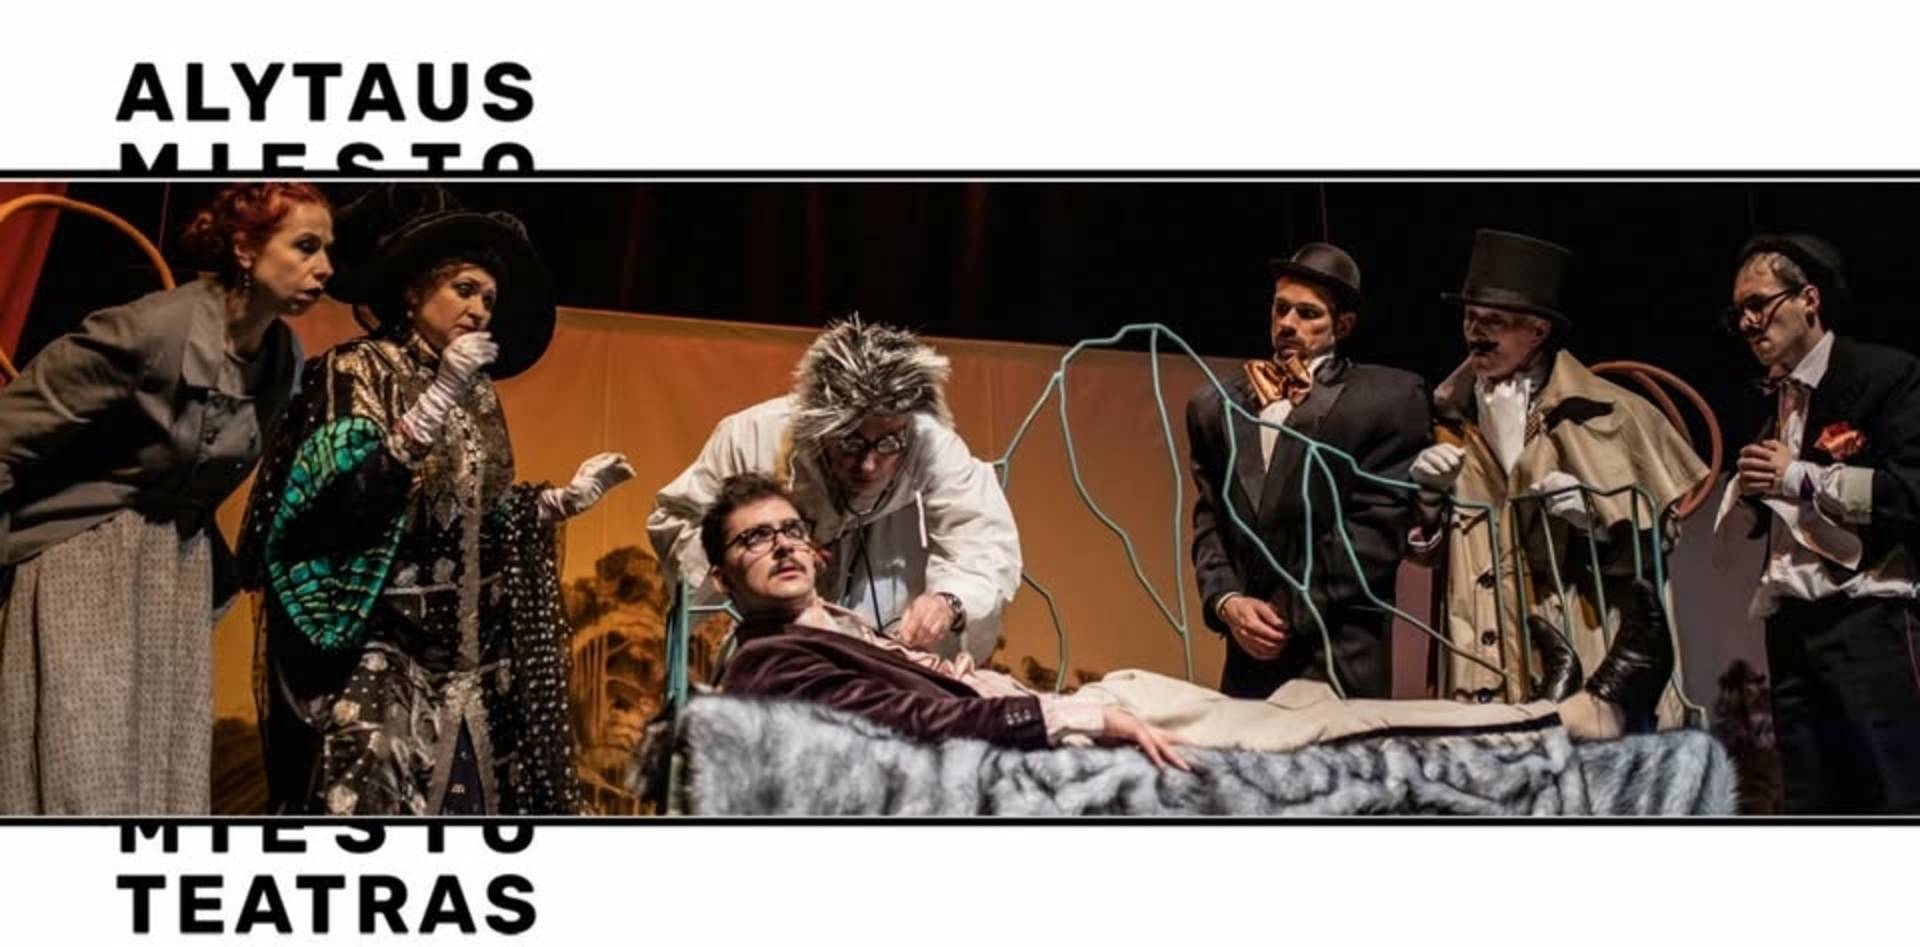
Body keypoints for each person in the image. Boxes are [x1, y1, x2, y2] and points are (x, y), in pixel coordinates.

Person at [702, 473, 1673, 766]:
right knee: (1321, 729)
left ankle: (1522, 718)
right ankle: (1580, 717)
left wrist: (953, 646)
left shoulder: (836, 621)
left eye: (789, 530)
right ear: (721, 571)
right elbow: (914, 723)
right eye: (754, 541)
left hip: (1069, 704)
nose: (781, 546)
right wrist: (1076, 716)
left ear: (815, 546)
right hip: (1057, 732)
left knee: (1306, 700)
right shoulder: (765, 665)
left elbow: (922, 688)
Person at [239, 184, 634, 816]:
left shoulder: (478, 394)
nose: (479, 309)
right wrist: (434, 401)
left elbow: (472, 516)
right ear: (414, 292)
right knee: (369, 798)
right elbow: (340, 501)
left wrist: (556, 504)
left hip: (466, 656)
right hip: (380, 643)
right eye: (465, 289)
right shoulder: (356, 369)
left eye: (489, 299)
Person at [0, 182, 333, 814]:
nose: (325, 268)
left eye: (326, 250)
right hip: (87, 557)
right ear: (245, 248)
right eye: (306, 246)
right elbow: (9, 433)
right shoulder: (151, 331)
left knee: (162, 783)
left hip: (173, 574)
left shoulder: (282, 358)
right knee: (86, 774)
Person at [1409, 230, 1708, 722]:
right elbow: (1429, 557)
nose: (1476, 332)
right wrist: (1427, 503)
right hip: (1483, 658)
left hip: (1582, 645)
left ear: (1538, 330)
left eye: (1494, 321)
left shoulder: (1609, 414)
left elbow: (1656, 546)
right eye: (1470, 318)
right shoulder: (1447, 419)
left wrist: (1594, 522)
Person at [650, 316, 1019, 662]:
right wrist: (763, 553)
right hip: (774, 623)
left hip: (892, 600)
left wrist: (949, 601)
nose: (869, 464)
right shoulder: (752, 437)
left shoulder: (931, 444)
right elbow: (679, 523)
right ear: (820, 427)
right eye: (850, 442)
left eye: (888, 443)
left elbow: (982, 541)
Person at [1714, 233, 1920, 813]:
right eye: (1739, 312)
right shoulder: (1769, 400)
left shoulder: (1884, 374)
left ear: (1809, 299)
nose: (1748, 323)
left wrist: (1799, 477)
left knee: (1893, 791)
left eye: (1759, 304)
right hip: (1792, 627)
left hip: (1868, 620)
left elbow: (1909, 494)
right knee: (1811, 802)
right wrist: (1752, 496)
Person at [1187, 242, 1429, 700]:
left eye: (1307, 313)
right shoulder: (1214, 405)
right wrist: (1227, 601)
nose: (1288, 323)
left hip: (1339, 657)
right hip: (1248, 661)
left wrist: (1286, 610)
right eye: (1280, 309)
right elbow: (1210, 518)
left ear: (1343, 325)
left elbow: (1376, 529)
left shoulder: (1385, 401)